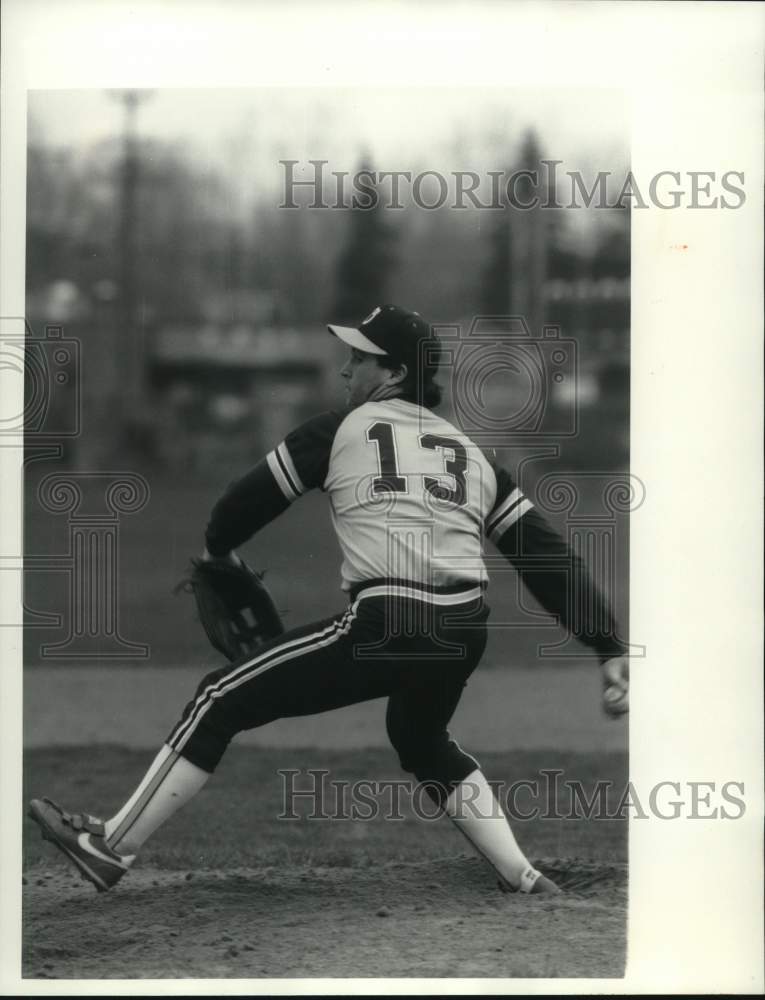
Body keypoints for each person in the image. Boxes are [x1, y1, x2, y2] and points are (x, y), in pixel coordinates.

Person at [29, 304, 628, 896]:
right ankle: (522, 876)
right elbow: (548, 559)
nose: (345, 372)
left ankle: (112, 846)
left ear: (392, 374)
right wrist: (607, 645)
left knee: (219, 696)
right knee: (421, 738)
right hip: (464, 632)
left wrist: (220, 554)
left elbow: (238, 508)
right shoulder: (475, 457)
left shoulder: (338, 429)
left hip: (389, 622)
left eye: (357, 359)